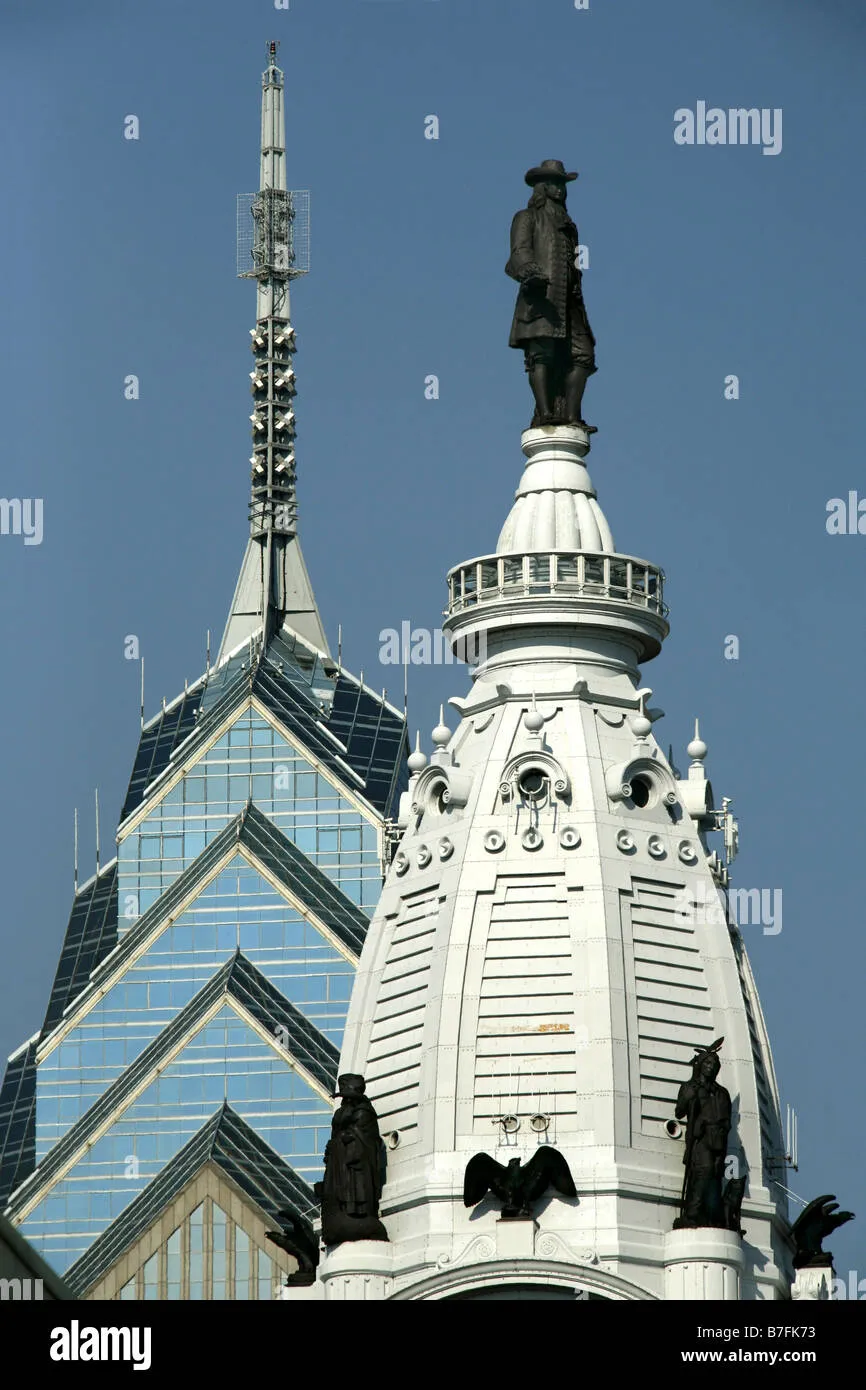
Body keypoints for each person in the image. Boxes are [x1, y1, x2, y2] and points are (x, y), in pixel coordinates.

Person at [506, 159, 597, 430]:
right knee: (541, 354)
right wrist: (530, 271)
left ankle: (571, 416)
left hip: (571, 303)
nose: (560, 190)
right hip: (541, 297)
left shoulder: (570, 227)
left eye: (562, 185)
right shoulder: (526, 217)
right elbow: (518, 253)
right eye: (554, 184)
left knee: (583, 355)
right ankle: (545, 413)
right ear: (542, 188)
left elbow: (578, 266)